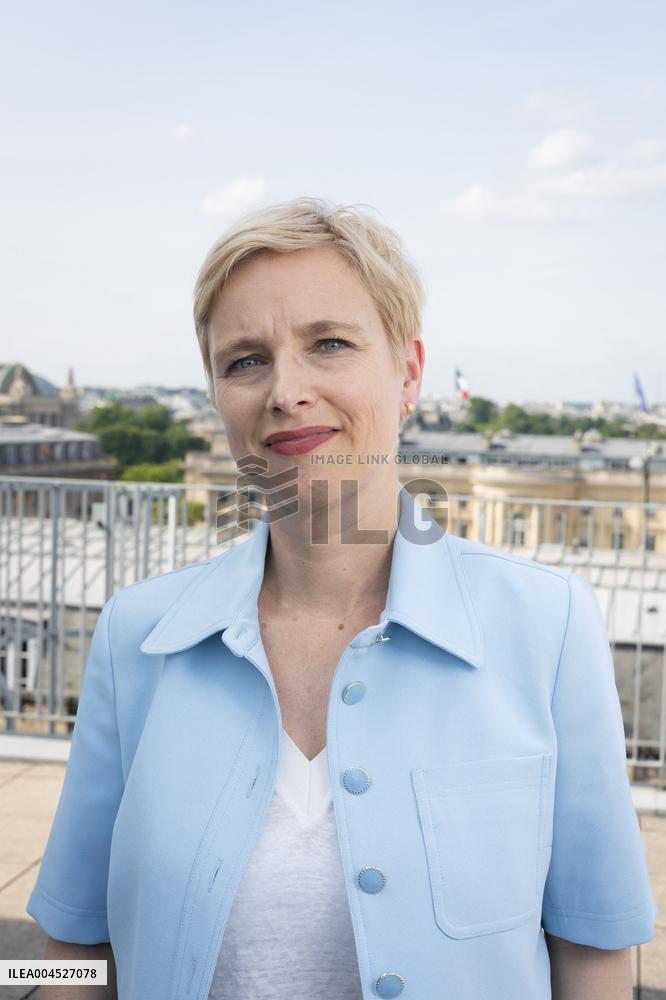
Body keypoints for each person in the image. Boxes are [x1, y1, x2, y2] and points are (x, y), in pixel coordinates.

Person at [27, 197, 657, 1000]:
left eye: (329, 343)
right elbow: (60, 949)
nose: (286, 390)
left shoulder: (547, 626)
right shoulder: (136, 634)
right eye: (245, 360)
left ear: (409, 371)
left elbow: (596, 952)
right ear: (217, 394)